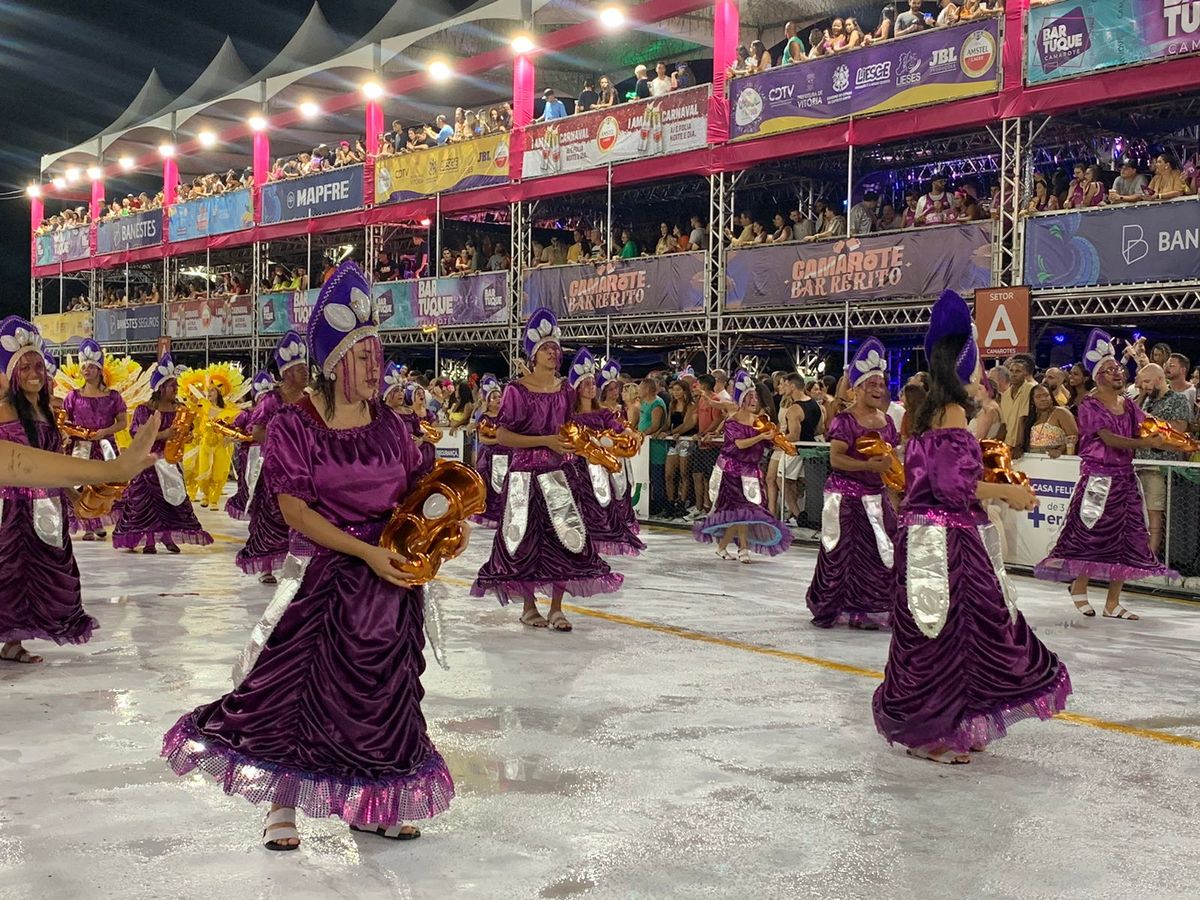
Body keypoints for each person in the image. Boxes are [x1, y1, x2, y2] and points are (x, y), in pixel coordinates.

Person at [163, 261, 453, 851]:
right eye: (363, 355)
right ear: (334, 362)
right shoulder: (296, 424)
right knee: (296, 693)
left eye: (379, 352)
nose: (377, 366)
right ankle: (282, 806)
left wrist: (446, 528)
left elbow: (426, 490)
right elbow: (296, 512)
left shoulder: (392, 425)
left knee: (384, 696)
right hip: (326, 577)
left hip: (391, 583)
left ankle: (373, 803)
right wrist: (365, 552)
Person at [873, 290, 1071, 765]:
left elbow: (947, 467)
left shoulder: (932, 413)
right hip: (945, 542)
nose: (984, 373)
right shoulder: (951, 413)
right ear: (965, 364)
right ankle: (931, 732)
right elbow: (952, 484)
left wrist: (982, 424)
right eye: (980, 364)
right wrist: (1010, 493)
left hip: (936, 536)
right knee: (951, 630)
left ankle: (954, 721)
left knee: (960, 629)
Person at [470, 308, 622, 631]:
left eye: (556, 348)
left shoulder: (566, 391)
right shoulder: (517, 390)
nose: (554, 353)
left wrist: (606, 427)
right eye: (547, 348)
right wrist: (546, 441)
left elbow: (575, 425)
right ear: (534, 354)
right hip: (524, 477)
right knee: (524, 541)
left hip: (559, 476)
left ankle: (556, 608)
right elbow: (503, 435)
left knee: (564, 539)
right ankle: (529, 607)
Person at [1035, 329, 1178, 619]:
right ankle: (1079, 586)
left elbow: (1152, 426)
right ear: (1099, 375)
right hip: (1098, 478)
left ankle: (1113, 602)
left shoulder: (1128, 403)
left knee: (1126, 539)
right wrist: (1145, 443)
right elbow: (1109, 438)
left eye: (1119, 369)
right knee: (1091, 534)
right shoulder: (1090, 404)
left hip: (1124, 478)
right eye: (1110, 369)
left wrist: (1178, 440)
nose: (1117, 373)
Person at [0, 317, 99, 664]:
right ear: (12, 374)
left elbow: (55, 461)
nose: (33, 372)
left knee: (46, 571)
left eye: (38, 366)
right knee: (8, 573)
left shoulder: (46, 411)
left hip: (49, 508)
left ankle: (15, 642)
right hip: (10, 510)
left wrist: (75, 495)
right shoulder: (4, 410)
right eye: (24, 366)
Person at [806, 339, 898, 630]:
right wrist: (868, 466)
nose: (877, 390)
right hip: (844, 498)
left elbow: (891, 459)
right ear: (856, 388)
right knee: (841, 553)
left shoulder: (887, 421)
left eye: (880, 384)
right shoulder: (845, 421)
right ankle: (833, 606)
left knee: (880, 552)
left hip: (875, 497)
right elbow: (836, 460)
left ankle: (871, 607)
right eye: (870, 384)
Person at [111, 353, 212, 554]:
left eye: (176, 384)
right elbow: (136, 433)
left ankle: (167, 537)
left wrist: (186, 436)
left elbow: (188, 431)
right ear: (160, 388)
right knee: (145, 503)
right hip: (148, 464)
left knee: (172, 501)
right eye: (171, 385)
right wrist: (164, 433)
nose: (175, 388)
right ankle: (148, 539)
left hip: (171, 462)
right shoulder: (145, 410)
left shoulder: (180, 409)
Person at [693, 370, 793, 562]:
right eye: (750, 396)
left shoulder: (758, 421)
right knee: (741, 511)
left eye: (755, 396)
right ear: (742, 399)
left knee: (744, 512)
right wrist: (760, 437)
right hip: (731, 470)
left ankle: (723, 548)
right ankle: (743, 549)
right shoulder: (733, 418)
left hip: (750, 472)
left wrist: (778, 441)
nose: (754, 400)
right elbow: (739, 444)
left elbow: (767, 441)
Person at [236, 332, 309, 584]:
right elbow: (257, 431)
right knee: (270, 516)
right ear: (287, 373)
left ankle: (301, 563)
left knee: (303, 517)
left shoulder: (309, 400)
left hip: (302, 468)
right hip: (274, 467)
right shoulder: (271, 399)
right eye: (301, 369)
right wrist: (283, 439)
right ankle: (266, 566)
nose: (307, 373)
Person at [565, 349, 646, 555]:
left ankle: (598, 538)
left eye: (593, 383)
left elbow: (619, 427)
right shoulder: (569, 414)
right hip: (577, 467)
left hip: (601, 465)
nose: (592, 388)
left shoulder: (603, 412)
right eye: (587, 384)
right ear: (578, 388)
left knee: (602, 501)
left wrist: (631, 433)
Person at [61, 339, 128, 540]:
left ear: (100, 370)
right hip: (80, 447)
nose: (86, 370)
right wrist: (73, 434)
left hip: (104, 446)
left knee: (104, 485)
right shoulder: (73, 396)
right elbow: (65, 422)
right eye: (83, 366)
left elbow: (123, 422)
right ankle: (88, 524)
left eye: (91, 366)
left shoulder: (113, 397)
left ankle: (98, 521)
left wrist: (104, 431)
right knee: (81, 486)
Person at [1133, 362, 1191, 557]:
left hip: (1160, 467)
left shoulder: (1178, 400)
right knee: (1138, 516)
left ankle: (1150, 559)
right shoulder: (1146, 399)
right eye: (1141, 383)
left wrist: (1151, 423)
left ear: (1160, 378)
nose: (1145, 386)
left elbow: (1179, 429)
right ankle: (1136, 556)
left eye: (1147, 382)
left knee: (1154, 513)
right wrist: (1141, 395)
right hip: (1138, 466)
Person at [226, 370, 275, 522]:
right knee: (251, 487)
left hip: (272, 455)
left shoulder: (279, 413)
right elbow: (233, 430)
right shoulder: (246, 414)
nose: (264, 400)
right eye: (261, 397)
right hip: (250, 457)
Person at [470, 376, 506, 529]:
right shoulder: (485, 418)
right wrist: (500, 440)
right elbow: (483, 439)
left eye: (499, 396)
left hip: (507, 455)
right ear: (488, 401)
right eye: (494, 397)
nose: (498, 399)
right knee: (491, 486)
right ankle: (492, 516)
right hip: (490, 456)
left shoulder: (507, 416)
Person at [662, 379, 699, 520]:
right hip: (673, 442)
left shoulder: (690, 406)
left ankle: (682, 503)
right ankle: (671, 503)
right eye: (673, 389)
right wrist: (663, 431)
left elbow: (688, 424)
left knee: (684, 474)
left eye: (678, 390)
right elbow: (668, 423)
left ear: (684, 391)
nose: (675, 392)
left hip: (686, 441)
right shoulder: (672, 405)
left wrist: (672, 433)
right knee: (669, 475)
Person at [1019, 384, 1078, 457]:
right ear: (1033, 401)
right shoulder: (1030, 418)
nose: (1043, 399)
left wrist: (1059, 450)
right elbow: (1022, 444)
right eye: (1038, 396)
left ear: (1051, 397)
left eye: (1046, 395)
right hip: (1032, 458)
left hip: (1056, 459)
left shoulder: (1061, 412)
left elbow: (1073, 437)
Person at [998, 353, 1035, 448]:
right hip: (1008, 445)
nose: (1013, 374)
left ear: (1026, 373)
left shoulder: (1030, 389)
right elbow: (1004, 424)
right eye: (1011, 370)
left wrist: (1019, 446)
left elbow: (1024, 420)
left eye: (1018, 371)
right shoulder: (1005, 395)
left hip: (1023, 446)